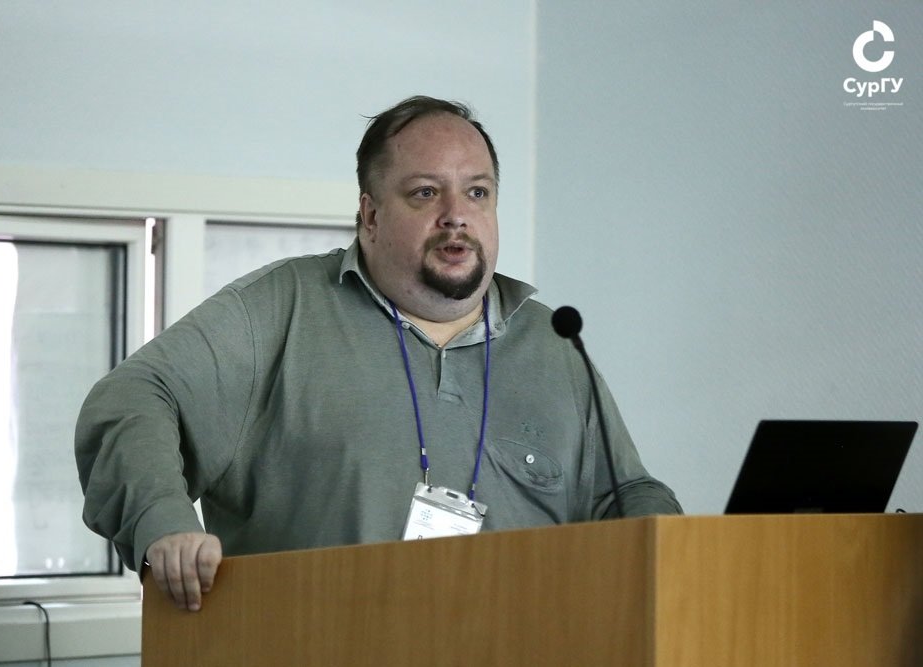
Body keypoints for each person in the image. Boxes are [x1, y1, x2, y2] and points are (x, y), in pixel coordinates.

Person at [75, 95, 681, 613]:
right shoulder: (281, 308)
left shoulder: (553, 341)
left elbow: (623, 495)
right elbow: (133, 400)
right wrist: (164, 524)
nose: (456, 217)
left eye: (477, 192)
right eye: (425, 193)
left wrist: (688, 550)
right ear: (369, 214)